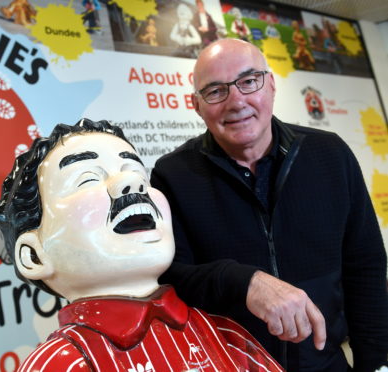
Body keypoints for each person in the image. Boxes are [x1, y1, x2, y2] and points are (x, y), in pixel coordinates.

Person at [151, 38, 388, 371]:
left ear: (271, 85)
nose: (236, 102)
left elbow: (365, 265)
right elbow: (170, 278)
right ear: (197, 105)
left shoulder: (330, 155)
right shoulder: (173, 174)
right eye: (216, 91)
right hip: (228, 365)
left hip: (328, 363)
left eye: (249, 82)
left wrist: (376, 363)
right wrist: (245, 281)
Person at [0, 118, 284, 371]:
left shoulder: (224, 336)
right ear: (33, 255)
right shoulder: (62, 362)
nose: (131, 183)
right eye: (87, 179)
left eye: (137, 171)